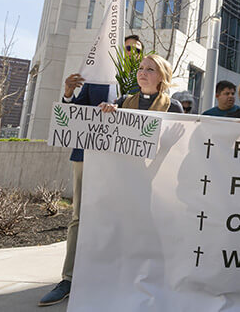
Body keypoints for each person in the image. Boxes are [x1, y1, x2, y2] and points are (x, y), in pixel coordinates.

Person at [39, 37, 144, 307]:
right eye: (128, 48)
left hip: (124, 162)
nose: (132, 53)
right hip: (87, 156)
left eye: (137, 50)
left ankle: (110, 276)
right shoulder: (96, 80)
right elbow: (73, 115)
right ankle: (69, 279)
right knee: (79, 217)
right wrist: (68, 94)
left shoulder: (143, 83)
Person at [99, 54, 183, 114]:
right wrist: (106, 108)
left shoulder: (173, 106)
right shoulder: (124, 101)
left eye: (150, 69)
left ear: (162, 76)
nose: (143, 72)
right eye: (140, 68)